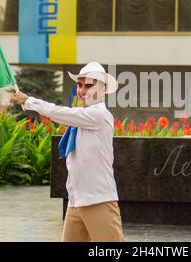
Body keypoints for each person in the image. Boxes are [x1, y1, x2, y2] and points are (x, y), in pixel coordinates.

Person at [11, 62, 123, 242]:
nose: (82, 90)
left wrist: (29, 101)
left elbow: (59, 112)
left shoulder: (99, 115)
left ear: (103, 90)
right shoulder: (81, 117)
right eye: (79, 85)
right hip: (76, 200)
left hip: (98, 200)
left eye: (89, 85)